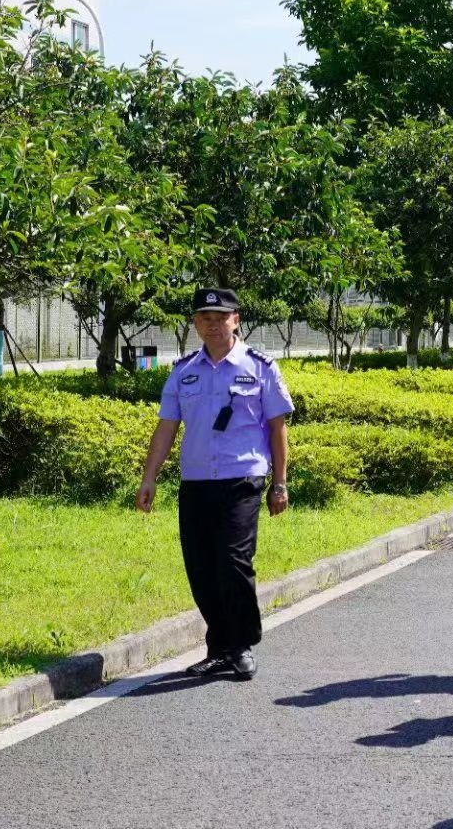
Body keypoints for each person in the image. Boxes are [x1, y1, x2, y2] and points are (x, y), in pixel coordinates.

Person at [136, 288, 293, 681]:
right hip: (196, 481)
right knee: (201, 567)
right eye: (204, 317)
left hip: (243, 479)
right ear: (195, 324)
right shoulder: (183, 370)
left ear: (235, 319)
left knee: (233, 561)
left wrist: (280, 483)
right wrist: (150, 477)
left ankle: (241, 644)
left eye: (220, 317)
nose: (213, 324)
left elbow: (277, 428)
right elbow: (166, 428)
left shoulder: (260, 367)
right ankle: (218, 646)